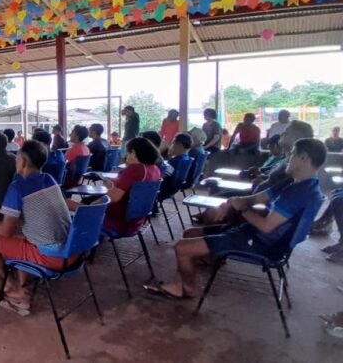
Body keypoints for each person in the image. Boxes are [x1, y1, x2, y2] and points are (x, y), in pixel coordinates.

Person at [145, 138, 326, 299]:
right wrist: (232, 203)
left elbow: (266, 226)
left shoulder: (299, 193)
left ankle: (186, 288)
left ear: (304, 158)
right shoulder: (295, 183)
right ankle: (210, 258)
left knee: (181, 248)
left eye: (293, 154)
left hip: (262, 244)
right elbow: (258, 198)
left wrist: (242, 209)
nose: (288, 157)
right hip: (252, 234)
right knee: (190, 233)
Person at [0, 140, 79, 315]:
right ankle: (20, 286)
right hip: (73, 250)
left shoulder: (17, 187)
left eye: (17, 158)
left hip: (51, 257)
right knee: (20, 235)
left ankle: (13, 286)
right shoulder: (50, 179)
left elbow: (5, 231)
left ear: (23, 162)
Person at [196, 120, 315, 223]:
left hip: (259, 203)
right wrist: (260, 173)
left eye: (287, 132)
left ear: (297, 139)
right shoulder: (286, 159)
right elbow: (272, 177)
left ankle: (211, 223)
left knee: (223, 200)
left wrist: (259, 180)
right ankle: (209, 219)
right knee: (221, 195)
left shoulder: (293, 166)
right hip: (255, 195)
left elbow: (275, 189)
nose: (282, 133)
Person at [102, 137, 163, 235]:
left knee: (84, 205)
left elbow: (113, 198)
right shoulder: (155, 169)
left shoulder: (135, 169)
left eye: (128, 152)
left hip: (120, 222)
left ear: (133, 153)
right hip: (137, 221)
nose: (126, 155)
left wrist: (107, 188)